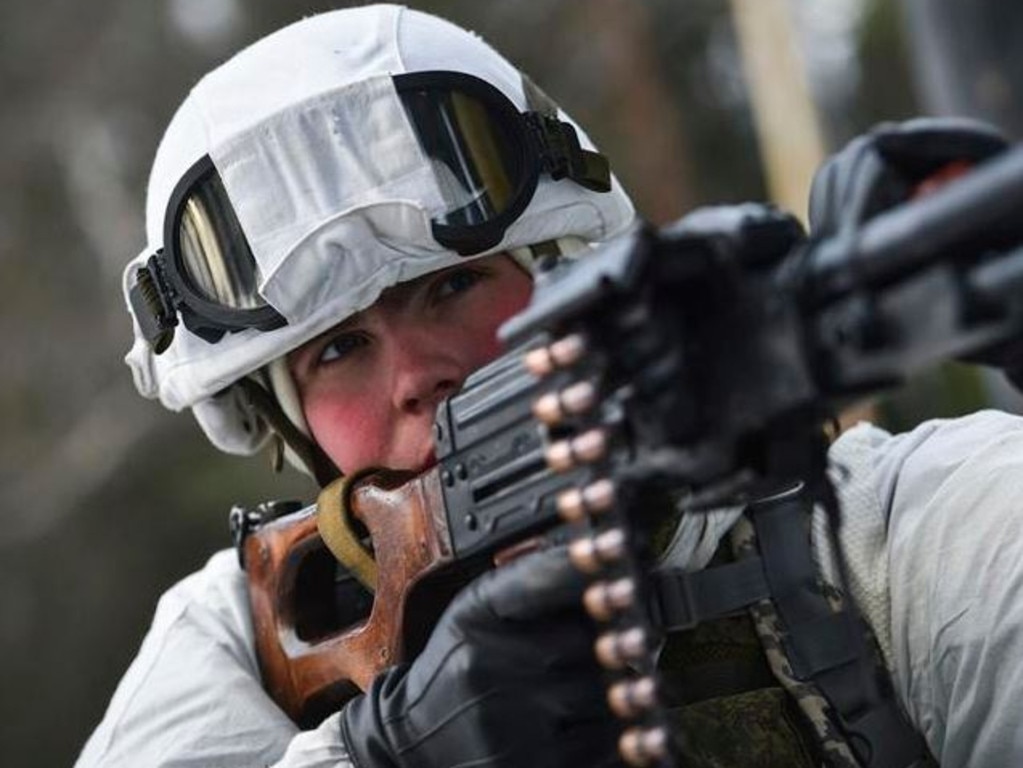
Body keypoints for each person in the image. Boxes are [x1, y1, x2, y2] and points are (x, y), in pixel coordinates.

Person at [75, 4, 1023, 768]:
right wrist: (383, 753)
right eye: (338, 353)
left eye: (452, 287)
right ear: (285, 426)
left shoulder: (874, 538)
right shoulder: (238, 642)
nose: (419, 378)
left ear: (561, 276)